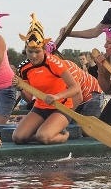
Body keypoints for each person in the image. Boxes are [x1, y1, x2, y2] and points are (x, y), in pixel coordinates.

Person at [12, 14, 80, 145]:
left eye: (37, 51)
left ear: (43, 49)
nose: (33, 55)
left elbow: (75, 88)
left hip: (61, 107)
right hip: (40, 107)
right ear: (25, 49)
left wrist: (56, 96)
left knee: (43, 137)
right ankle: (42, 133)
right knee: (18, 138)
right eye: (30, 51)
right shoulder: (24, 68)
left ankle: (63, 135)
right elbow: (29, 97)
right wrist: (20, 87)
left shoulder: (54, 62)